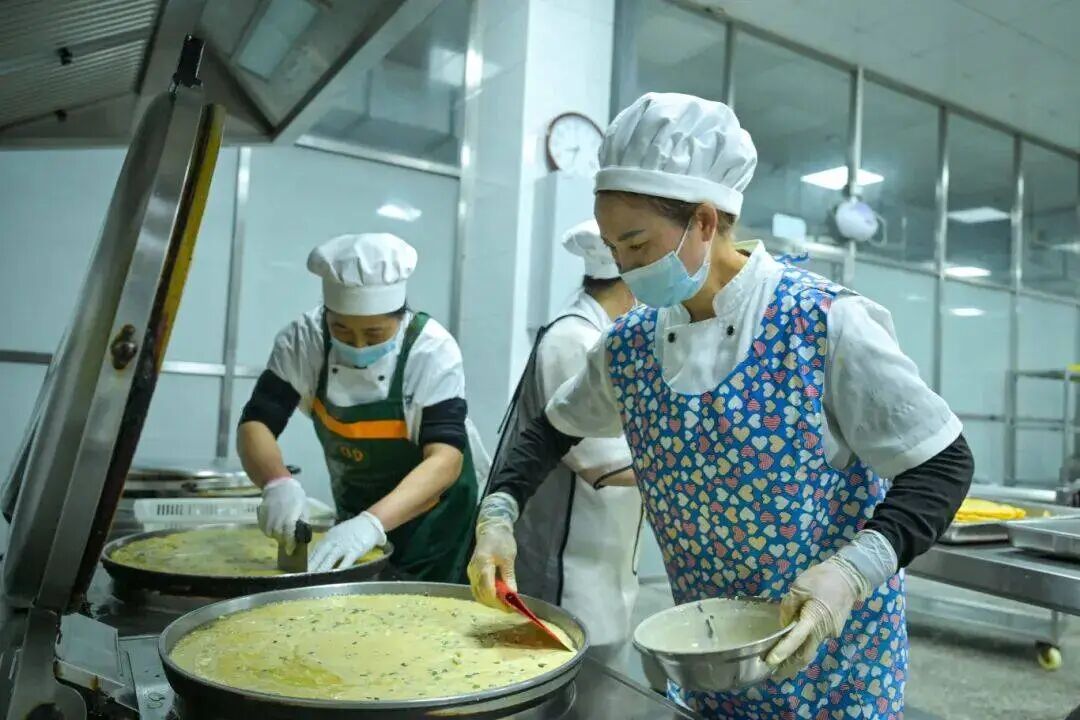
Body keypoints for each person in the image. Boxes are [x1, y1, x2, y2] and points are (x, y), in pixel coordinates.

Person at [475, 93, 973, 719]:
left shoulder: (821, 324)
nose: (624, 268)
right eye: (613, 247)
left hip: (831, 668)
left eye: (636, 244)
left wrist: (851, 574)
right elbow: (549, 430)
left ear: (706, 222)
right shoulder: (629, 347)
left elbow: (943, 463)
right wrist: (498, 513)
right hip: (709, 667)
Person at [238, 233, 480, 582]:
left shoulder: (431, 351)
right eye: (342, 330)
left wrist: (371, 524)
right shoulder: (305, 340)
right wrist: (277, 483)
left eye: (375, 333)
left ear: (400, 317)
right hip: (355, 506)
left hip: (435, 522)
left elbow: (445, 459)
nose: (359, 345)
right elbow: (257, 422)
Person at [469, 220, 643, 664]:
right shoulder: (573, 339)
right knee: (574, 669)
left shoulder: (606, 334)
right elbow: (600, 462)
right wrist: (697, 469)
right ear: (633, 284)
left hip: (606, 554)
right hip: (570, 564)